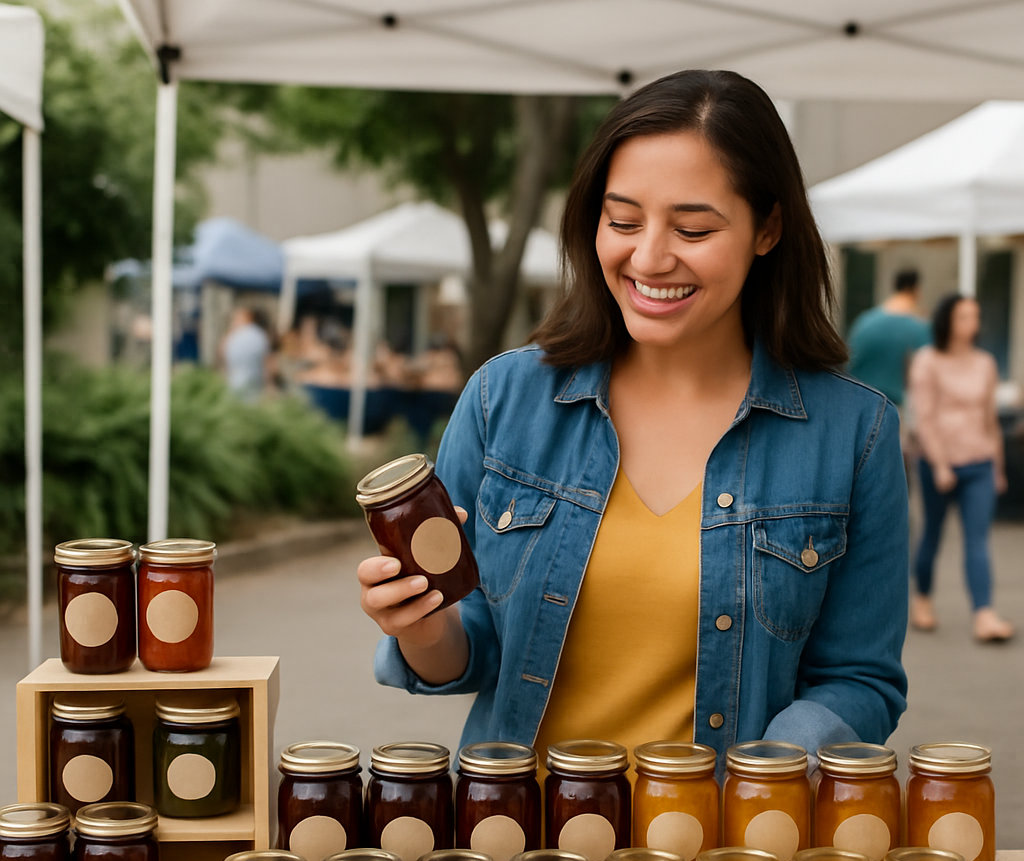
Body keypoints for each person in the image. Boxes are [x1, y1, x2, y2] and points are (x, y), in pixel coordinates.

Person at [358, 69, 909, 769]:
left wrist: (766, 771)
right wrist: (422, 626)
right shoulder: (505, 398)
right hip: (523, 857)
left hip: (721, 859)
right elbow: (463, 655)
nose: (648, 257)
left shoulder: (853, 434)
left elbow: (861, 681)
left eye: (693, 227)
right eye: (622, 221)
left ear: (768, 228)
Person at [907, 294, 1013, 642]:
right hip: (939, 465)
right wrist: (939, 465)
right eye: (964, 317)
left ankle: (984, 615)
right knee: (932, 536)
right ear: (947, 321)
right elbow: (925, 418)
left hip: (979, 462)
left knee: (978, 540)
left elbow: (989, 419)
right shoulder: (928, 361)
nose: (973, 324)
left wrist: (997, 466)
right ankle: (922, 598)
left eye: (976, 317)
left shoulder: (985, 362)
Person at [846, 269, 930, 407]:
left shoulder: (865, 321)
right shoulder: (918, 327)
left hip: (858, 399)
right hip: (893, 405)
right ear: (915, 290)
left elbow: (850, 360)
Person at [219, 305, 271, 403]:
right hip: (256, 382)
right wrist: (269, 384)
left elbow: (221, 354)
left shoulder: (233, 335)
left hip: (235, 382)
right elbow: (267, 360)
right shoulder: (260, 334)